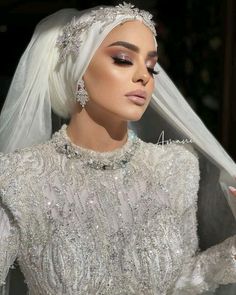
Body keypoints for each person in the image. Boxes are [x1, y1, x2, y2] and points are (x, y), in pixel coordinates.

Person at [0, 2, 236, 295]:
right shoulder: (20, 177)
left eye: (151, 67)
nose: (144, 77)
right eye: (124, 59)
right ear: (80, 69)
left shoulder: (176, 168)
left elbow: (182, 282)